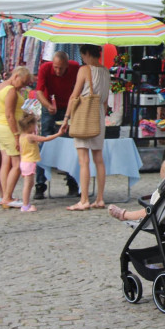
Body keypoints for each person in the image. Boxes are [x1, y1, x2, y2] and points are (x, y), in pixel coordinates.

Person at [66, 44, 110, 211]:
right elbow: (105, 100)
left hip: (84, 116)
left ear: (86, 54)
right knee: (99, 159)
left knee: (84, 160)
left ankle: (84, 199)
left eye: (82, 55)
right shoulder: (106, 71)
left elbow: (74, 95)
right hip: (98, 116)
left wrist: (66, 117)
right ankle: (99, 198)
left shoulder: (84, 70)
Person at [34, 51, 80, 199]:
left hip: (68, 107)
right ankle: (40, 185)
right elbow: (39, 92)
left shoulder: (75, 67)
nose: (58, 71)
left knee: (70, 144)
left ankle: (72, 182)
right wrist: (47, 106)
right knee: (44, 142)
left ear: (67, 65)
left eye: (61, 68)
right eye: (56, 67)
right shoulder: (45, 68)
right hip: (50, 107)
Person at [0, 66, 32, 208]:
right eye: (22, 82)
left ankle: (5, 195)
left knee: (5, 162)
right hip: (9, 129)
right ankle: (7, 196)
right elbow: (9, 115)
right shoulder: (10, 91)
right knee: (17, 164)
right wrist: (16, 135)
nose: (22, 86)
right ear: (15, 76)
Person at [16, 113, 66, 212]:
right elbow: (45, 139)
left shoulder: (21, 136)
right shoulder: (30, 137)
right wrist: (58, 134)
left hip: (24, 162)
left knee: (29, 184)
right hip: (29, 162)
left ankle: (26, 203)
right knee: (28, 184)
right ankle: (25, 205)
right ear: (30, 126)